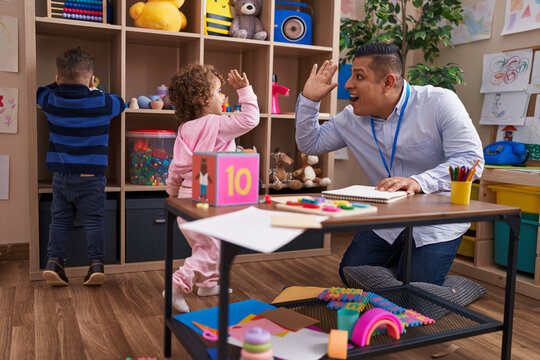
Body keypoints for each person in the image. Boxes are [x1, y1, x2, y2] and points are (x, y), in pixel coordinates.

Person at [295, 43, 484, 286]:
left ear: (387, 82)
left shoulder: (439, 102)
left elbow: (471, 160)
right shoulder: (351, 119)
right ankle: (402, 273)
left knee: (417, 291)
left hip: (436, 219)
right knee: (350, 273)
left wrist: (418, 181)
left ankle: (438, 283)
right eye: (351, 74)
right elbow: (310, 144)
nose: (348, 84)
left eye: (359, 76)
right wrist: (309, 101)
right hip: (386, 218)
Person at [165, 63, 260, 312]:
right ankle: (177, 285)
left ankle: (209, 284)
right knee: (213, 250)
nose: (223, 97)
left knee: (206, 246)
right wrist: (245, 91)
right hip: (208, 198)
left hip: (186, 199)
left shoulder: (185, 129)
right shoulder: (217, 123)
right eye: (219, 92)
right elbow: (251, 119)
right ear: (202, 98)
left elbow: (175, 168)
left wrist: (172, 195)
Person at [37, 47, 126, 286]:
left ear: (58, 78)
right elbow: (122, 102)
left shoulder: (51, 100)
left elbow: (40, 92)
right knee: (94, 220)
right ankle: (96, 265)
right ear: (91, 79)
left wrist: (59, 85)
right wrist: (94, 89)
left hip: (61, 176)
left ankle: (54, 262)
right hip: (91, 176)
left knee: (60, 220)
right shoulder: (103, 102)